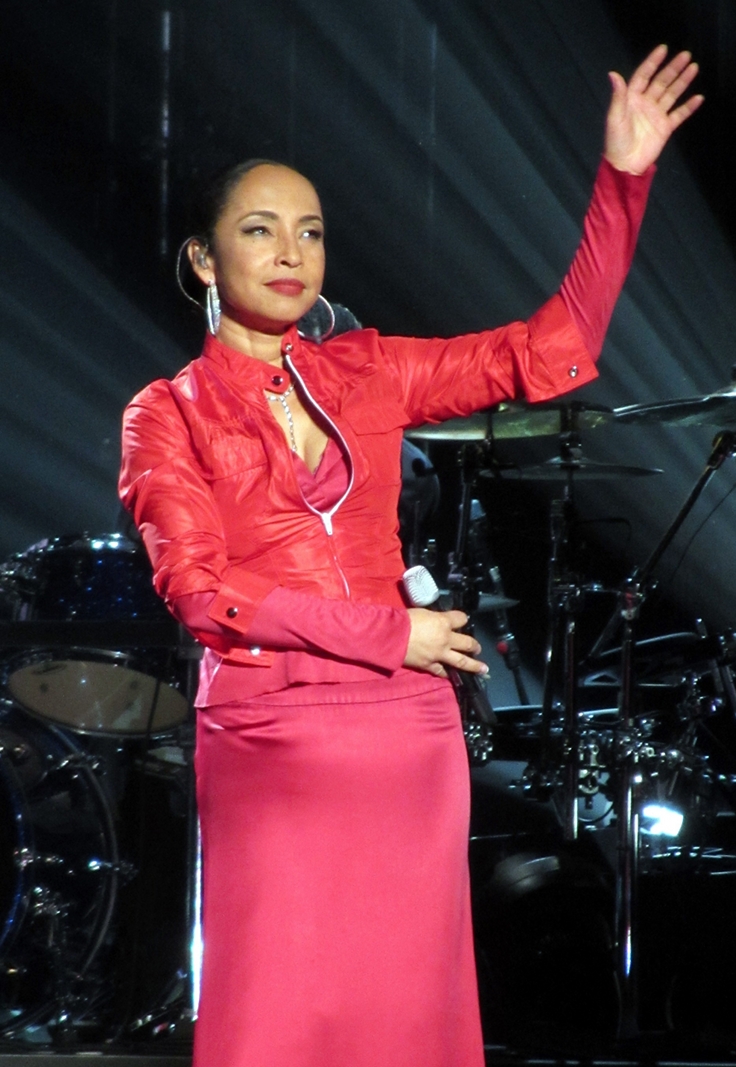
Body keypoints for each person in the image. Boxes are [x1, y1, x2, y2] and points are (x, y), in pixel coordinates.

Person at [119, 45, 702, 1067]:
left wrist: (623, 182)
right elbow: (202, 594)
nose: (291, 252)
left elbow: (548, 347)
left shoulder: (369, 370)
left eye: (310, 231)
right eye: (259, 229)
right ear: (203, 258)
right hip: (270, 735)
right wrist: (391, 632)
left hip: (404, 733)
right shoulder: (165, 412)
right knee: (272, 1009)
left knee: (407, 1012)